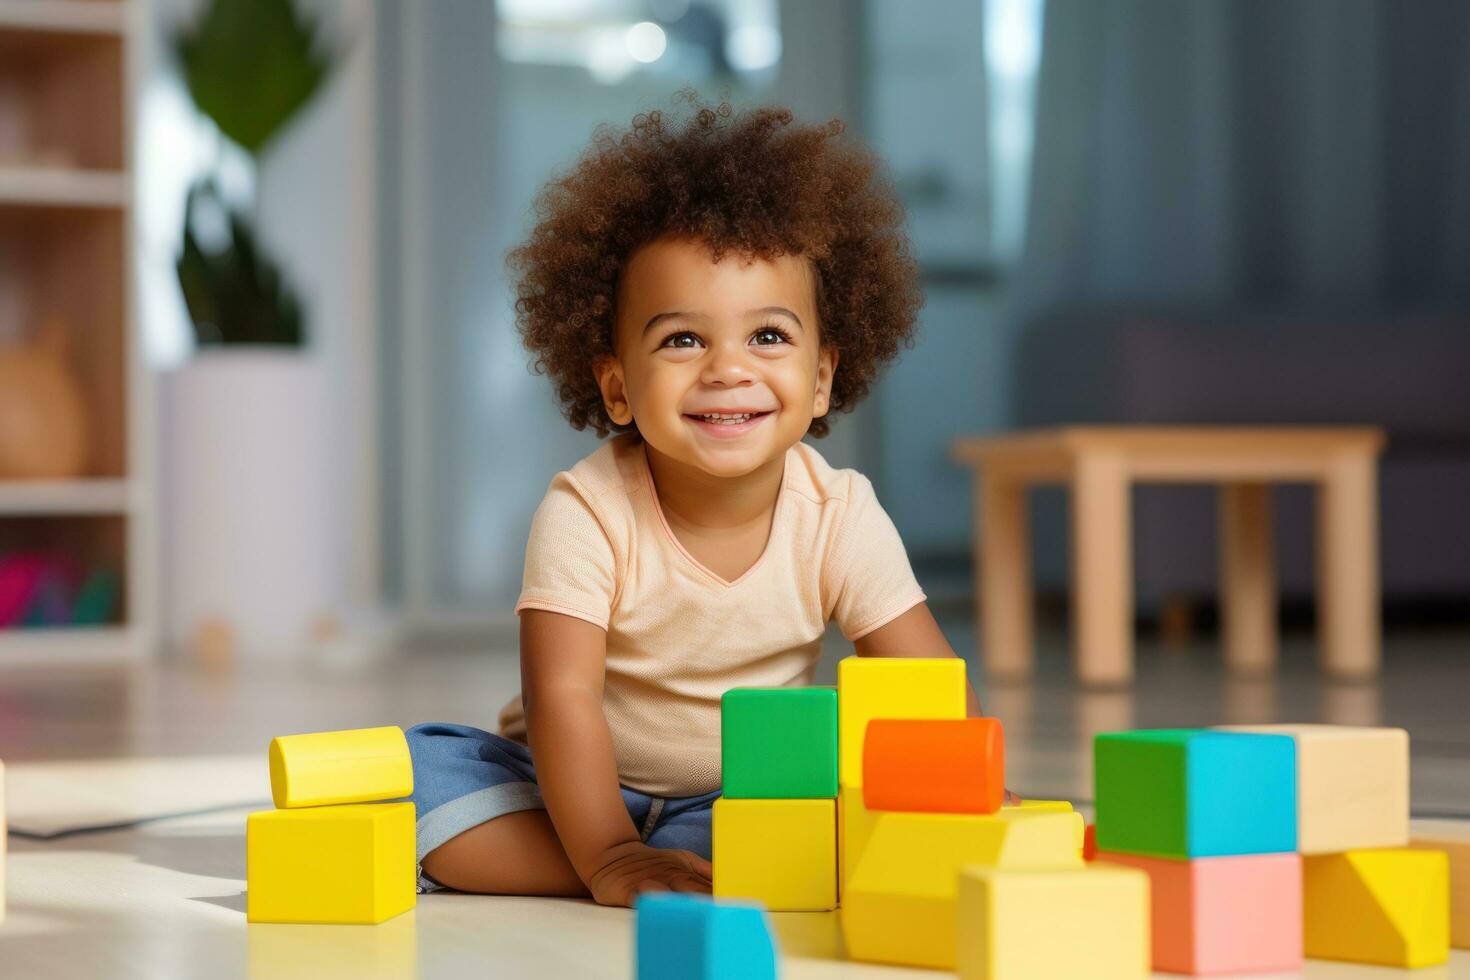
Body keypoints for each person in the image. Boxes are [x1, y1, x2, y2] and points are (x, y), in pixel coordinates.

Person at [406, 96, 994, 907]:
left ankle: (674, 864)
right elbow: (561, 696)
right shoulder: (586, 511)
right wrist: (607, 847)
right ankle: (618, 864)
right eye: (683, 339)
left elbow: (930, 685)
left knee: (819, 814)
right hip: (565, 788)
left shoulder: (840, 515)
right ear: (617, 386)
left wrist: (975, 806)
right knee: (413, 776)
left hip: (735, 798)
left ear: (821, 376)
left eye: (768, 337)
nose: (727, 369)